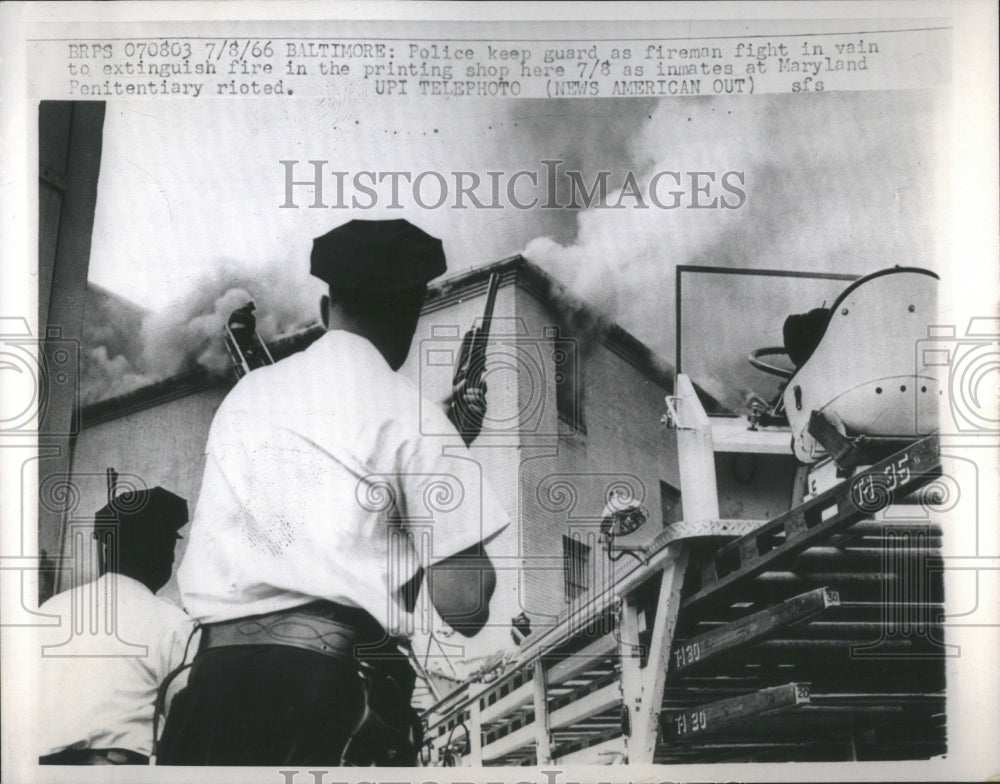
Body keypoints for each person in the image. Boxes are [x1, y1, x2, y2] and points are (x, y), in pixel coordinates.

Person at [158, 219, 509, 766]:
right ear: (411, 314)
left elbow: (317, 525)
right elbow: (464, 605)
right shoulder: (415, 417)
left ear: (326, 310)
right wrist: (453, 471)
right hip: (332, 700)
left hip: (210, 691)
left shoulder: (246, 395)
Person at [38, 487, 193, 765]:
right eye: (170, 545)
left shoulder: (49, 610)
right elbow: (186, 725)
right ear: (162, 550)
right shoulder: (173, 624)